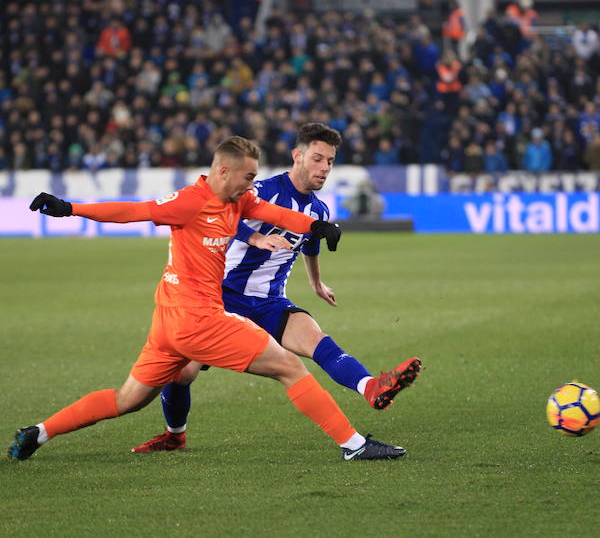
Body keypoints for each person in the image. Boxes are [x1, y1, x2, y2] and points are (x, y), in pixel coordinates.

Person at [8, 136, 408, 463]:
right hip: (199, 319)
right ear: (223, 170)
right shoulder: (189, 202)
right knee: (288, 366)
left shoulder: (240, 200)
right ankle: (354, 446)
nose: (252, 184)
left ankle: (39, 433)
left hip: (168, 322)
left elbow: (275, 212)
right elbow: (134, 211)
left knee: (126, 399)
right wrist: (70, 208)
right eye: (247, 176)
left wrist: (317, 225)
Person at [132, 123, 421, 453]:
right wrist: (256, 237)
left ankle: (371, 387)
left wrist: (315, 282)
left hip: (270, 301)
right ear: (297, 156)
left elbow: (310, 245)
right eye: (317, 159)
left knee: (317, 340)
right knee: (182, 372)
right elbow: (221, 213)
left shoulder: (318, 210)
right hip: (223, 296)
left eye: (329, 161)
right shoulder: (261, 190)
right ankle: (175, 434)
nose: (324, 168)